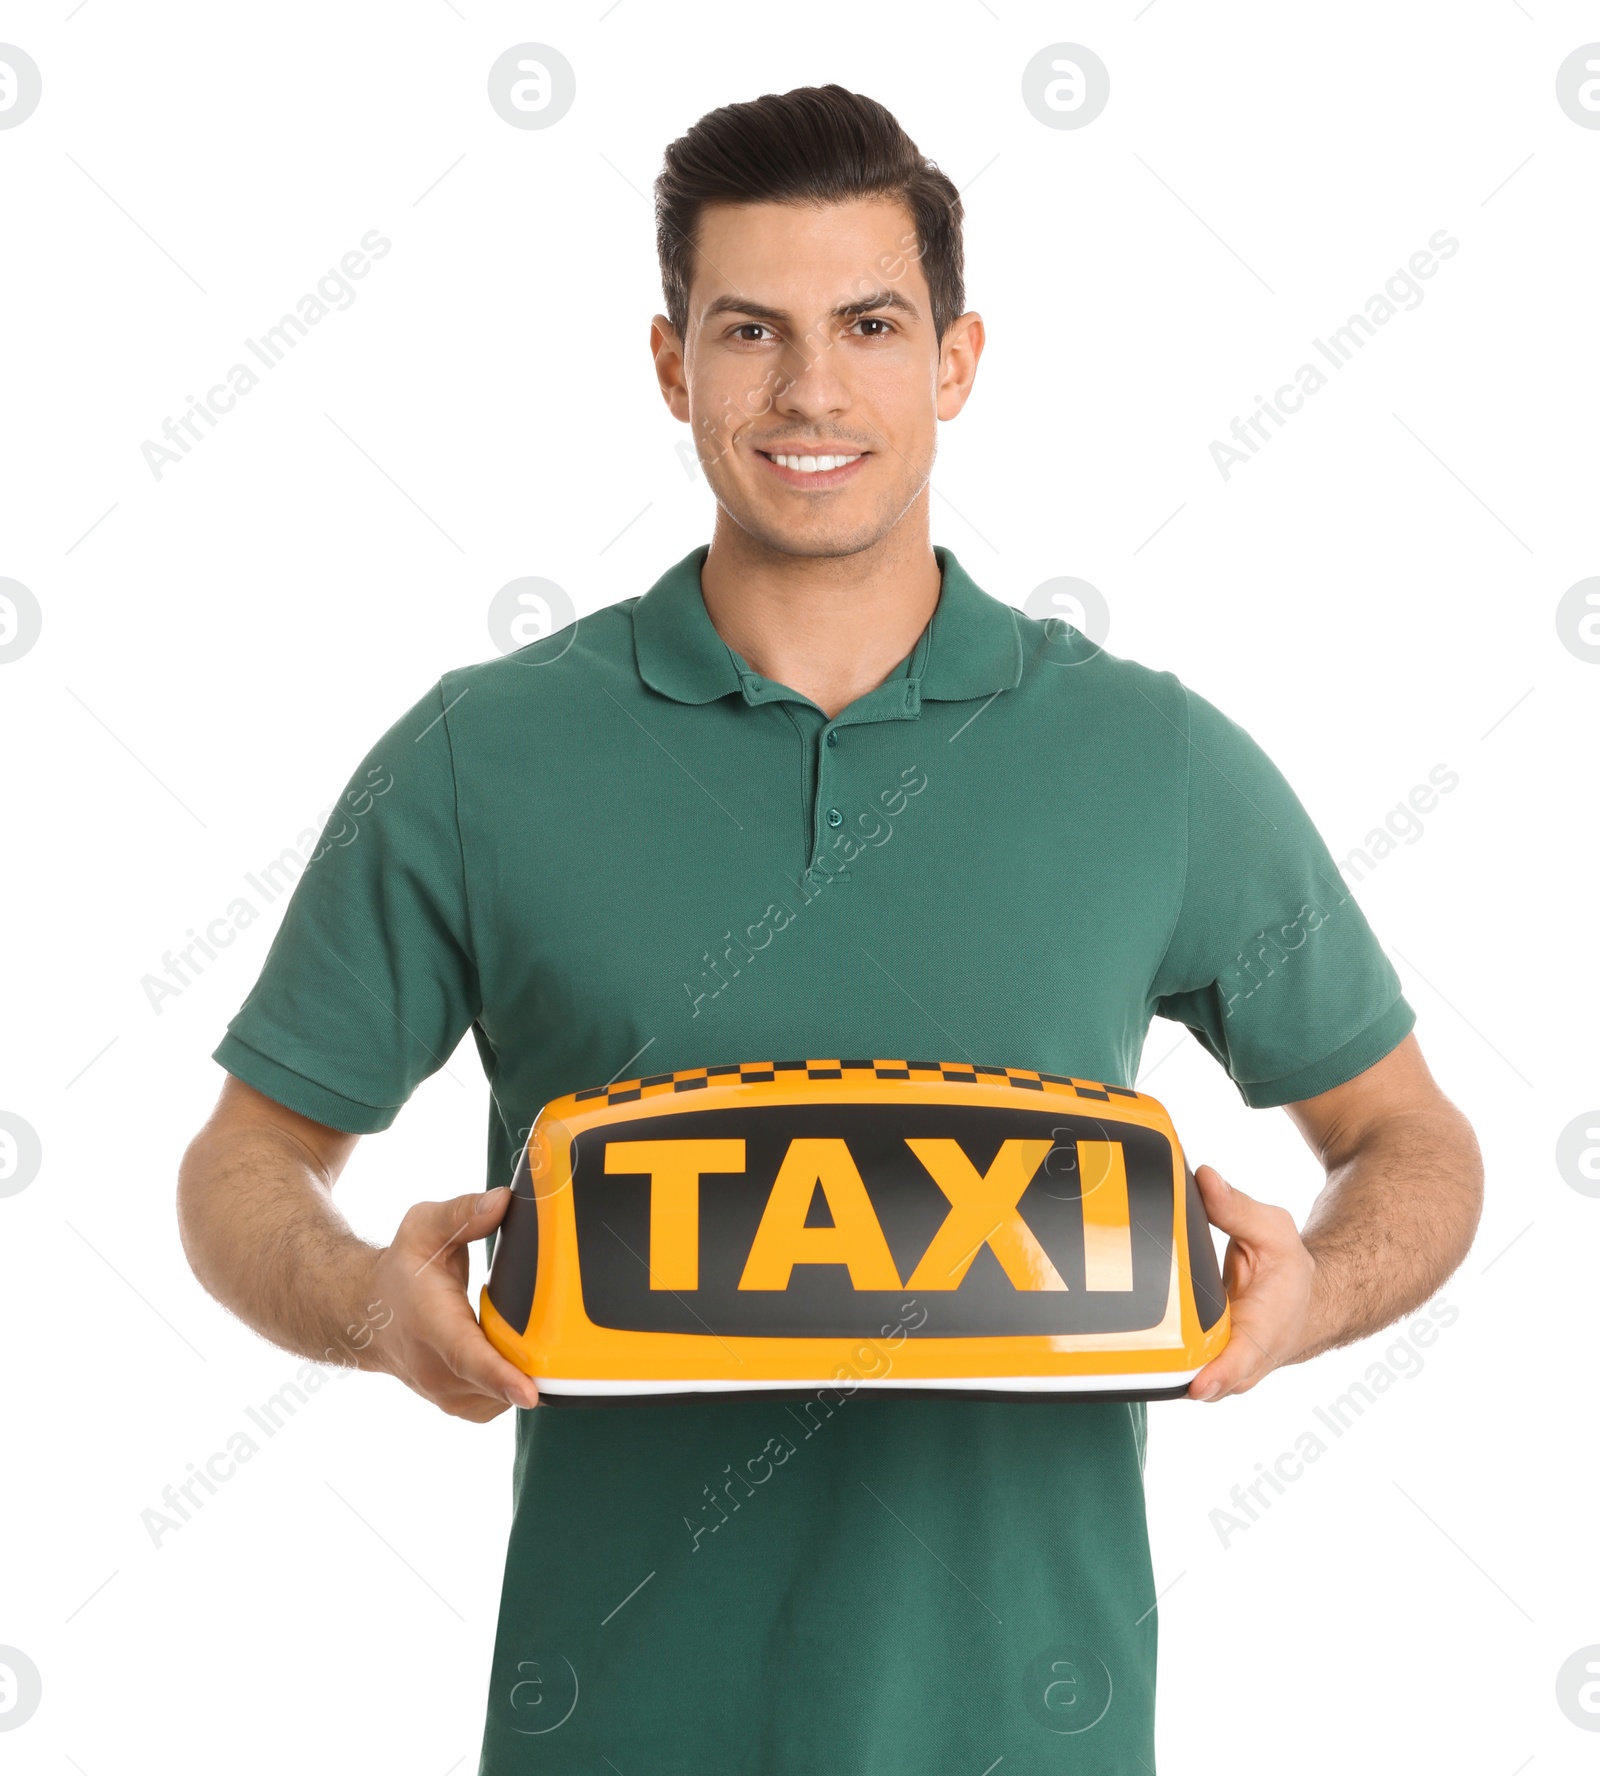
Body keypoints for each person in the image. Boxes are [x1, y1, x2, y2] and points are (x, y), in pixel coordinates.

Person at [177, 83, 1483, 1773]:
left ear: (955, 359)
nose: (810, 391)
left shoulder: (1150, 759)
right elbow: (240, 1165)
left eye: (871, 324)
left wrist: (1311, 1301)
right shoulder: (478, 757)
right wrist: (367, 1303)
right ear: (672, 367)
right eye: (750, 331)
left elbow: (1412, 1140)